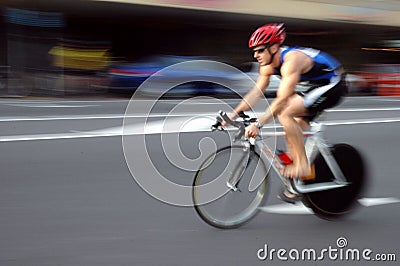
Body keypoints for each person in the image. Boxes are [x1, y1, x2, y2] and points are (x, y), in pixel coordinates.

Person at [223, 23, 347, 200]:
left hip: (333, 84)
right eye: (254, 51)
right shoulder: (266, 65)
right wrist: (231, 116)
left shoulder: (291, 61)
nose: (255, 55)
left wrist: (258, 124)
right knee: (292, 132)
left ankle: (302, 166)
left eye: (259, 50)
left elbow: (281, 100)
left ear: (273, 48)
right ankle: (300, 181)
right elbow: (255, 93)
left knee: (285, 112)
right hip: (312, 86)